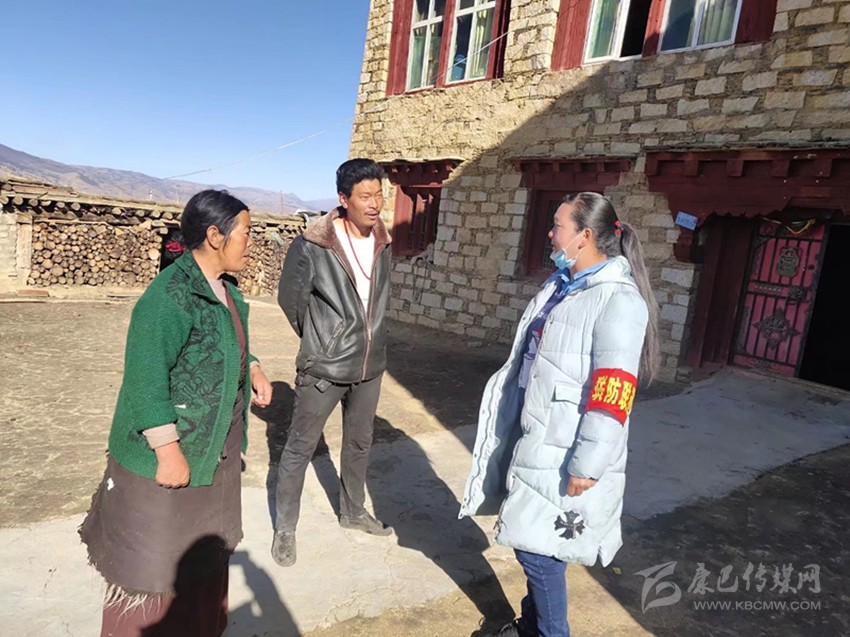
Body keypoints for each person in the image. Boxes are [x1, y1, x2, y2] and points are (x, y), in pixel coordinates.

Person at [460, 192, 660, 637]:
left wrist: (588, 464)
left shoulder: (617, 300)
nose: (550, 234)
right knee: (540, 542)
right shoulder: (562, 285)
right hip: (537, 433)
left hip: (567, 445)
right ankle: (531, 626)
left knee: (537, 553)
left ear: (584, 236)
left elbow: (614, 390)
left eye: (558, 225)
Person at [79, 189, 272, 637]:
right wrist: (167, 451)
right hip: (168, 463)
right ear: (215, 236)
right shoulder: (169, 296)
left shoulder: (224, 289)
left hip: (212, 459)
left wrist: (253, 366)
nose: (252, 242)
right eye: (246, 232)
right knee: (154, 574)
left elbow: (225, 341)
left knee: (202, 566)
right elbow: (144, 378)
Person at [272, 158, 393, 567]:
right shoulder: (313, 244)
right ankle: (285, 529)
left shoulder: (383, 241)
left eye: (378, 194)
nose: (374, 204)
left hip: (370, 366)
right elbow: (291, 301)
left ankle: (353, 511)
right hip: (325, 368)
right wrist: (322, 341)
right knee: (300, 447)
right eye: (365, 196)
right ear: (343, 199)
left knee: (359, 443)